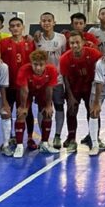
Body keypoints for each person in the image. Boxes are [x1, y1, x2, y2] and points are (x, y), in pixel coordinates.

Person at [60, 31, 103, 153]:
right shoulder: (64, 58)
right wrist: (70, 97)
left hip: (90, 88)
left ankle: (94, 137)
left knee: (93, 111)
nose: (74, 45)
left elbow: (102, 66)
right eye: (72, 43)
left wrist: (98, 93)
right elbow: (65, 79)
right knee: (71, 111)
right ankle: (72, 138)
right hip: (74, 89)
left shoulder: (93, 53)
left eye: (77, 42)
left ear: (83, 42)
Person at [0, 17, 37, 149]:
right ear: (9, 29)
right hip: (8, 84)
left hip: (24, 86)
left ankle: (30, 138)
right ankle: (8, 138)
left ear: (23, 27)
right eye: (12, 26)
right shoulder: (3, 43)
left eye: (18, 25)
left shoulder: (30, 43)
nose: (15, 28)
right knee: (8, 111)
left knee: (27, 111)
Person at [16, 50, 59, 156]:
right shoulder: (24, 70)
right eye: (35, 64)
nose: (38, 68)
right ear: (31, 63)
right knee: (21, 114)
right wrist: (22, 107)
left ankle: (44, 144)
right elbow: (24, 90)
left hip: (43, 92)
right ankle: (19, 146)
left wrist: (48, 106)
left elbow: (49, 89)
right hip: (28, 92)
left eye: (41, 65)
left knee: (48, 113)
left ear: (46, 63)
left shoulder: (52, 70)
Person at [35, 12, 68, 150]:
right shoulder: (36, 39)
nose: (46, 23)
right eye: (44, 21)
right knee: (42, 108)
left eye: (49, 20)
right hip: (41, 81)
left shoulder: (62, 38)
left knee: (59, 106)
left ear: (54, 22)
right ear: (40, 23)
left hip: (58, 80)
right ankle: (44, 137)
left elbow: (65, 57)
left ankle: (58, 135)